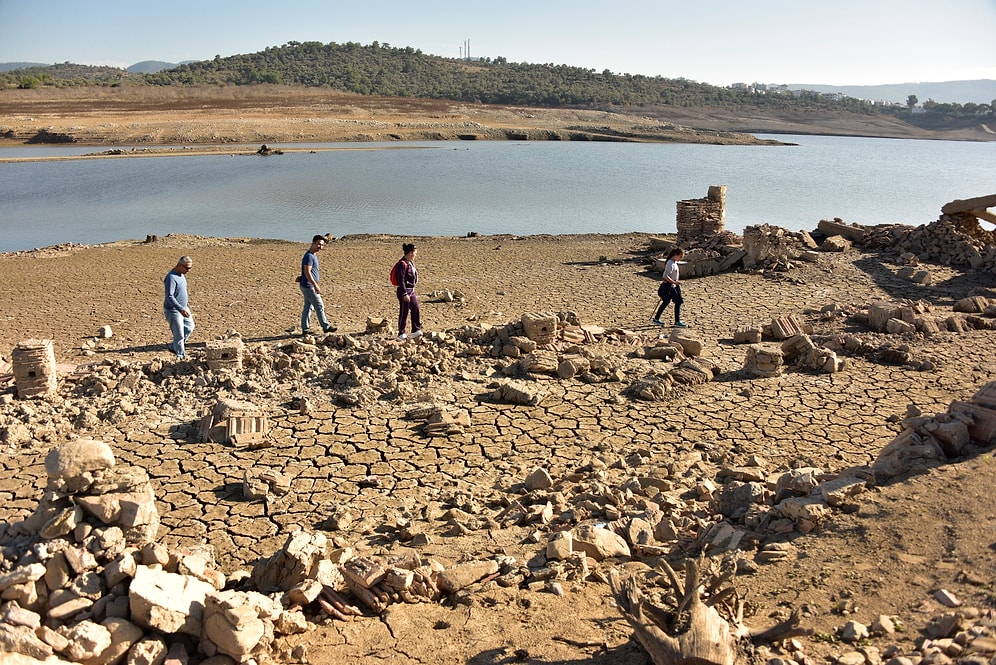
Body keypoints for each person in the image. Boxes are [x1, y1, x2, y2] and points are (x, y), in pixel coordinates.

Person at [298, 234, 337, 336]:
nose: (320, 247)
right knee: (319, 306)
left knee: (308, 306)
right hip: (309, 287)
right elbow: (307, 272)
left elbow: (305, 272)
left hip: (306, 285)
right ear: (313, 243)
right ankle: (326, 327)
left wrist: (301, 277)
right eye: (319, 244)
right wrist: (315, 285)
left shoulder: (311, 255)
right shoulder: (309, 256)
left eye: (322, 245)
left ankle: (305, 329)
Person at [163, 255, 195, 358]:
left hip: (184, 308)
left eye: (190, 268)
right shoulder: (171, 277)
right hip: (174, 311)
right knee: (179, 335)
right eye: (187, 268)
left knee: (190, 327)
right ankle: (180, 356)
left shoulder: (181, 275)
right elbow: (169, 296)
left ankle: (173, 346)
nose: (188, 270)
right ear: (180, 265)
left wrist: (184, 306)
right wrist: (180, 309)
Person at [394, 242, 422, 341]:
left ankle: (415, 330)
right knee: (404, 312)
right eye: (415, 253)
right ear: (410, 253)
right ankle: (401, 333)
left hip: (411, 291)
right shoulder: (402, 264)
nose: (416, 255)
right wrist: (404, 293)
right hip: (404, 292)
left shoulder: (410, 263)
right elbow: (401, 280)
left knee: (415, 309)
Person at [653, 247, 688, 327]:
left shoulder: (674, 262)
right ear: (675, 255)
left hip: (673, 286)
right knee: (678, 301)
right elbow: (665, 276)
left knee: (667, 301)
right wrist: (674, 282)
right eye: (680, 257)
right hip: (670, 286)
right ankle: (677, 321)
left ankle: (656, 319)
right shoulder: (670, 263)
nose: (681, 259)